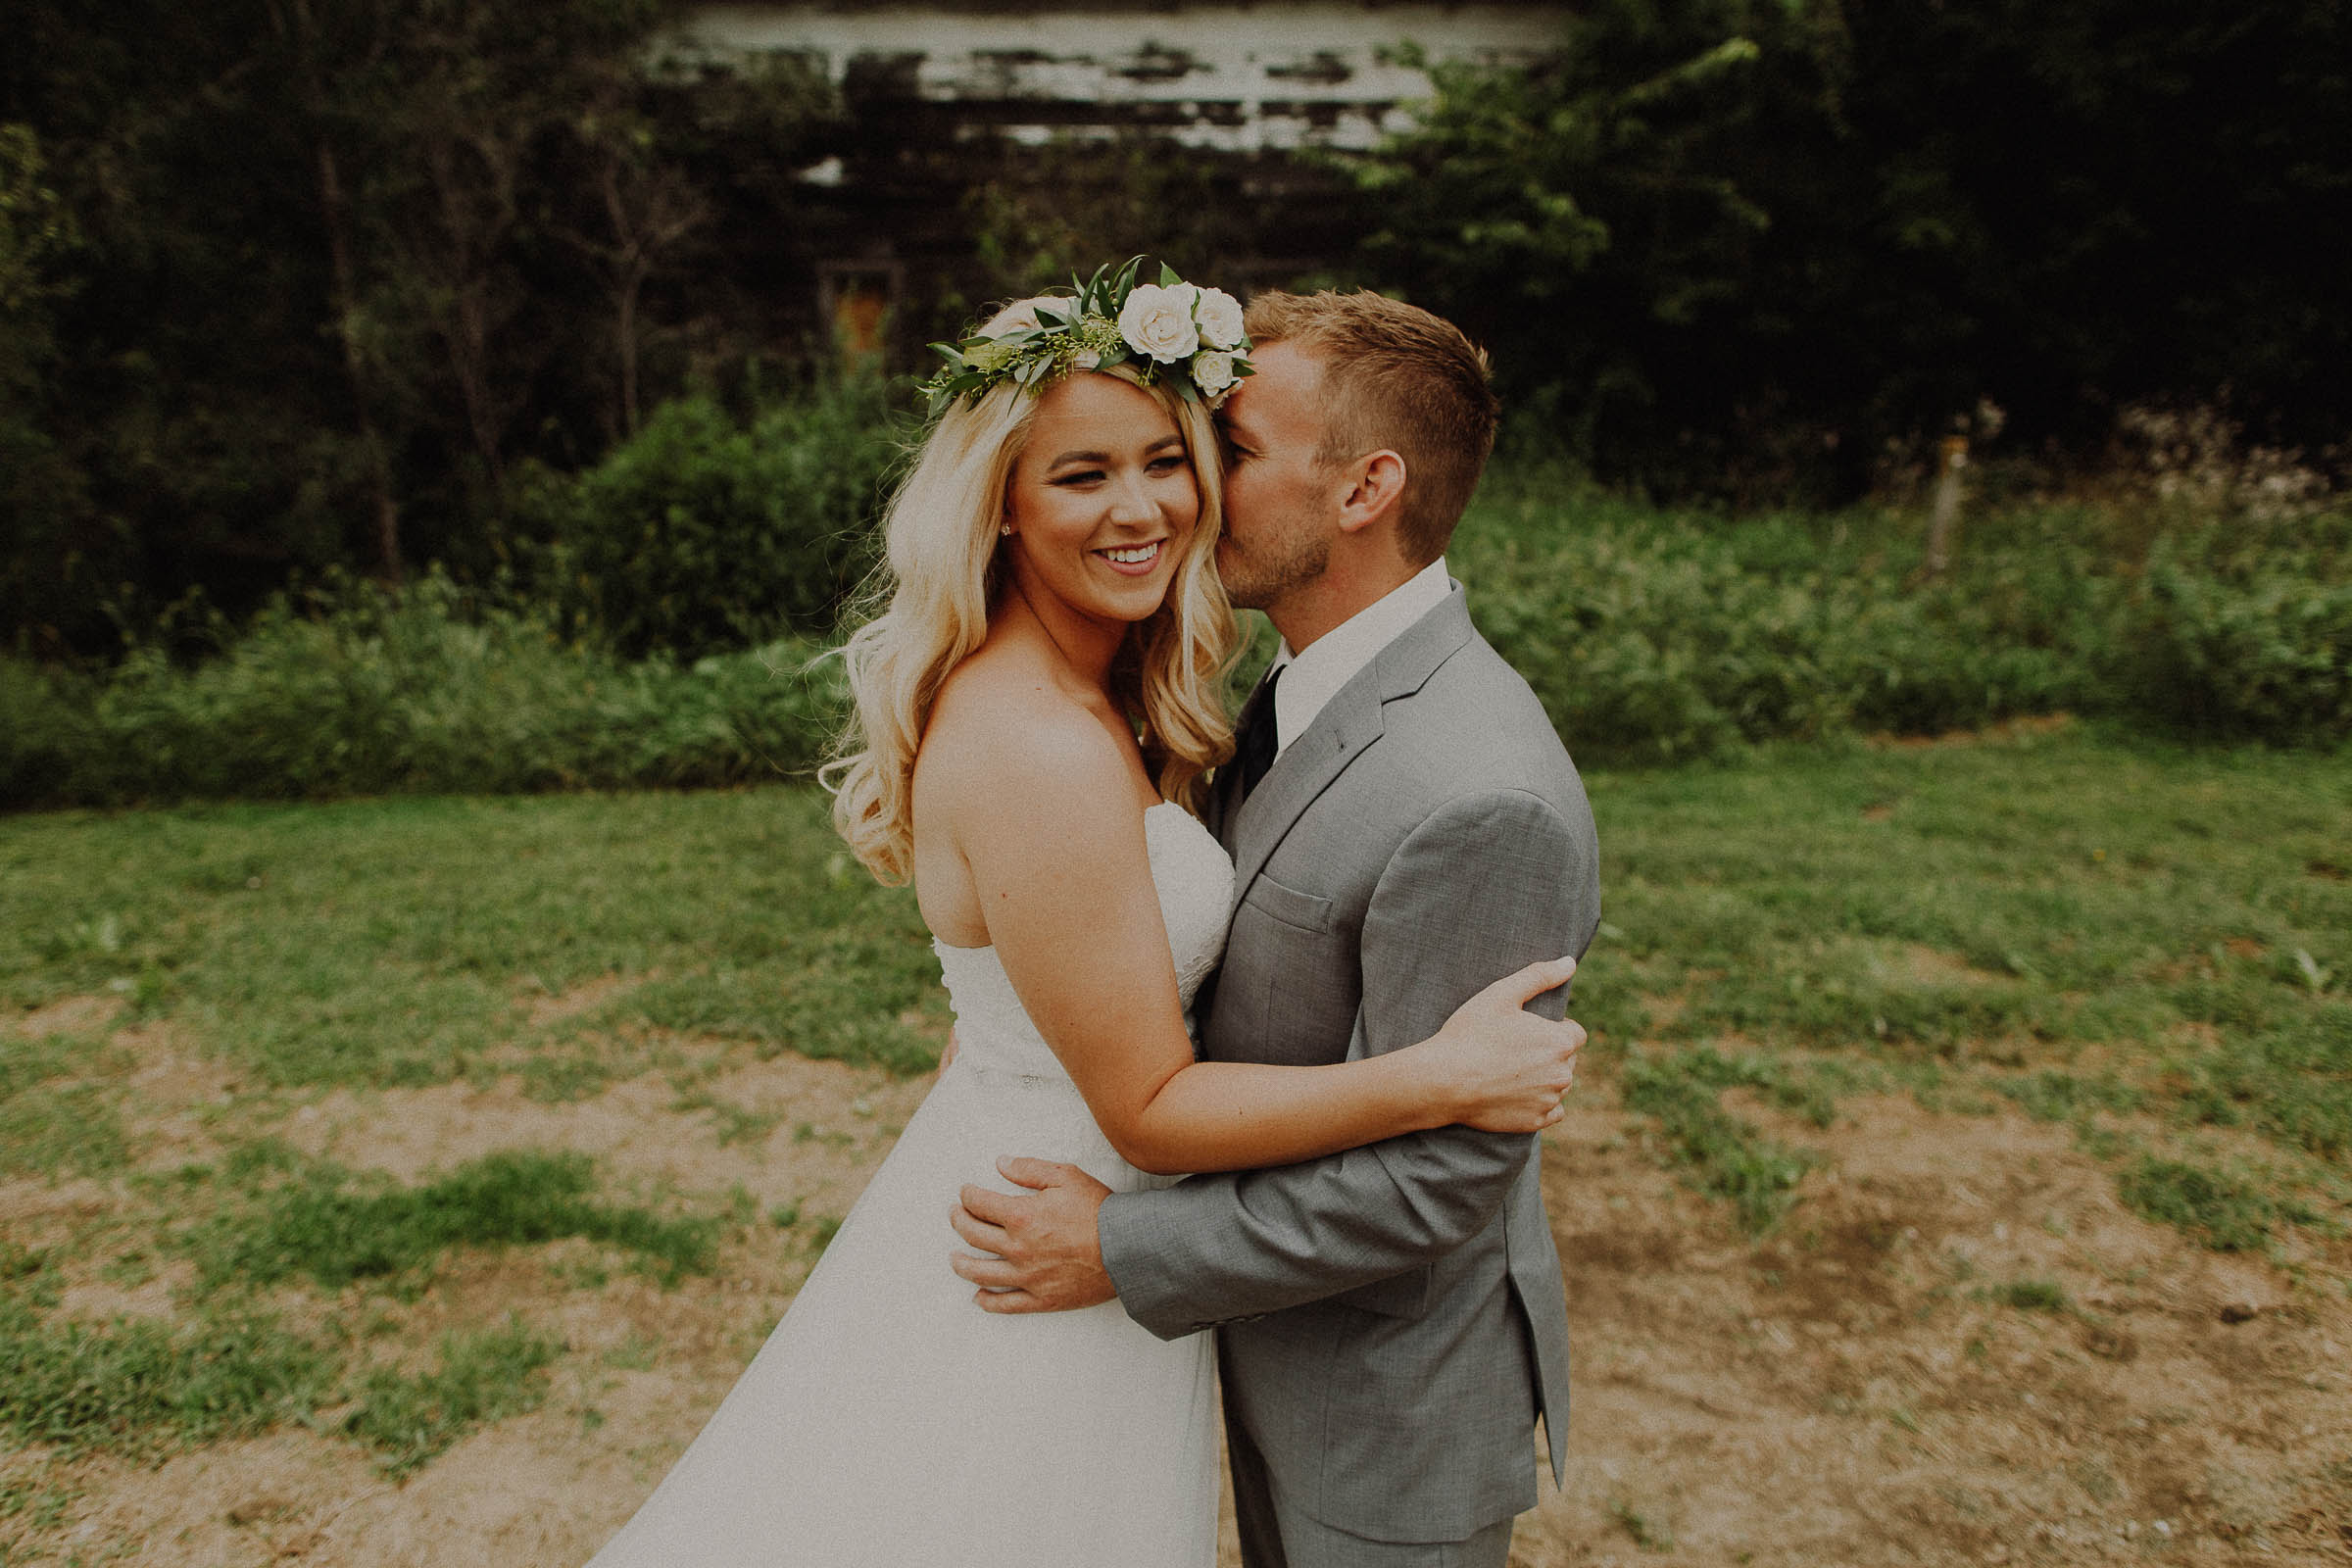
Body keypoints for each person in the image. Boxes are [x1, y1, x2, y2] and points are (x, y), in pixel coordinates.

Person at [578, 263, 1587, 1568]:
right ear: (998, 508)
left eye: (1192, 455)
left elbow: (1442, 1176)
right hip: (1050, 1241)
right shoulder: (1060, 735)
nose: (1164, 504)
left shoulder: (1424, 770)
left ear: (1365, 488)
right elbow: (1148, 1082)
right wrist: (1435, 1075)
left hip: (1329, 1367)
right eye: (1082, 474)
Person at [948, 288, 1601, 1568]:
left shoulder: (1480, 793)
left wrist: (1121, 1248)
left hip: (1376, 1412)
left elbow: (1440, 1179)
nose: (1190, 488)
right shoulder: (1297, 685)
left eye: (1230, 453)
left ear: (1364, 491)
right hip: (1254, 1351)